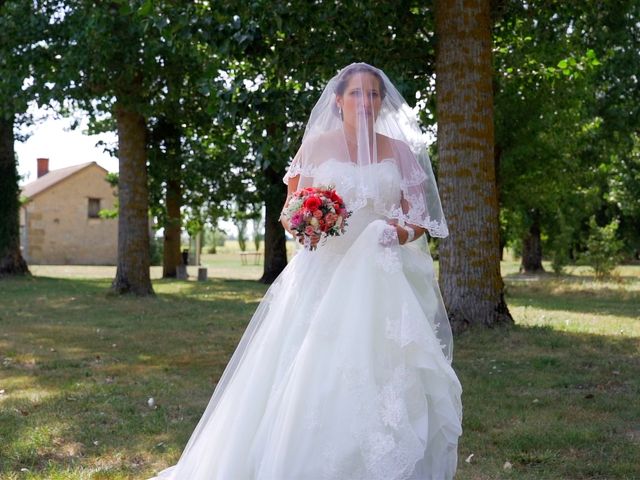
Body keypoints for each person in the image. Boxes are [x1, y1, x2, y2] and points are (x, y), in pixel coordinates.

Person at [150, 63, 463, 480]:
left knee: (385, 372)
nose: (365, 102)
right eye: (356, 94)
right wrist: (310, 223)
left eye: (373, 95)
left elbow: (422, 219)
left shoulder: (400, 152)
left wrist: (398, 233)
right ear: (338, 101)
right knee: (309, 370)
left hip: (382, 280)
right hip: (324, 272)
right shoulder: (315, 148)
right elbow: (290, 210)